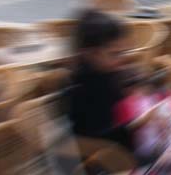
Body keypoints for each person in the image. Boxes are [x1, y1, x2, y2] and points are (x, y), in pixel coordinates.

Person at [67, 9, 156, 152]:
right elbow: (97, 139)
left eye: (124, 52)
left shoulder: (105, 72)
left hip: (135, 150)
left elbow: (136, 84)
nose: (122, 59)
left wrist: (140, 86)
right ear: (91, 53)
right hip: (115, 164)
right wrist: (138, 123)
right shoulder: (82, 89)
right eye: (115, 54)